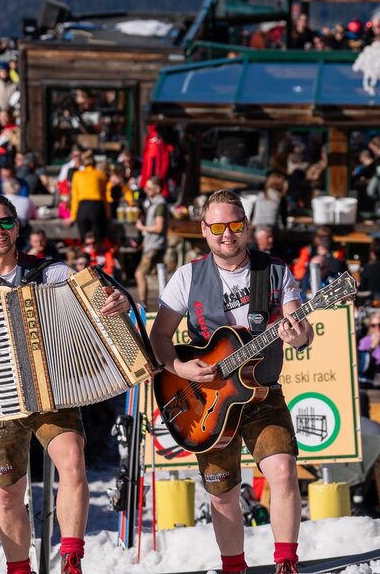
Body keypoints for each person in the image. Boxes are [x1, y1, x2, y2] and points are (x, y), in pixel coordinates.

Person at [0, 194, 131, 574]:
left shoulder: (50, 273)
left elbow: (101, 301)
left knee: (73, 462)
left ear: (18, 226)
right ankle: (19, 569)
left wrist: (116, 301)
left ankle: (72, 559)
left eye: (5, 222)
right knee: (8, 494)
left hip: (55, 389)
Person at [150, 189, 311, 574]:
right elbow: (158, 337)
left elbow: (300, 329)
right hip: (206, 399)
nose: (228, 234)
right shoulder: (187, 276)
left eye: (235, 225)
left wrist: (297, 333)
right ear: (204, 230)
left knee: (284, 473)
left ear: (246, 227)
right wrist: (183, 369)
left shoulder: (274, 271)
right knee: (222, 495)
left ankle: (286, 563)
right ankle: (233, 567)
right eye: (218, 226)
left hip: (262, 393)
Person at [134, 176, 169, 309]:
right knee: (158, 274)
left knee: (139, 273)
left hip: (155, 245)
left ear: (157, 189)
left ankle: (143, 305)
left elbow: (159, 227)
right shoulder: (153, 203)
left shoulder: (160, 204)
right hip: (153, 244)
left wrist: (142, 228)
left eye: (149, 188)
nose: (146, 190)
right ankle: (163, 305)